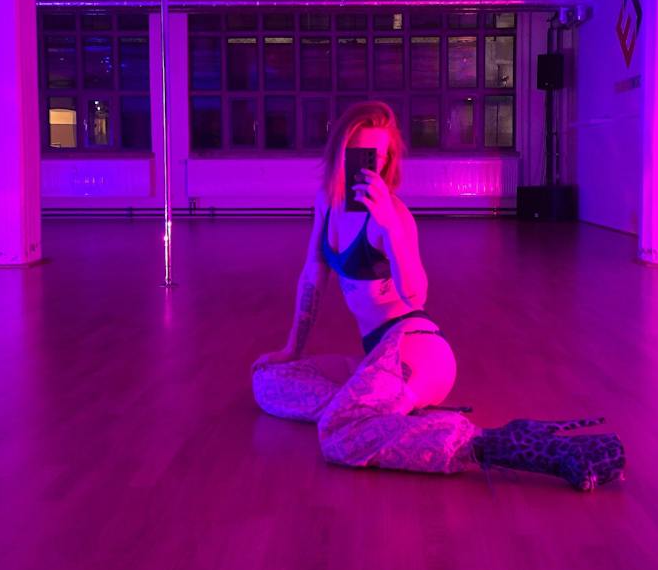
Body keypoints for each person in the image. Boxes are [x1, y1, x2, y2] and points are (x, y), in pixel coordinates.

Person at [251, 101, 625, 490]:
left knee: (339, 435)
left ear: (387, 161)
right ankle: (376, 412)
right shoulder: (326, 203)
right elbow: (313, 275)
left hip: (415, 349)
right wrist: (292, 349)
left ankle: (499, 444)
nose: (367, 166)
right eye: (358, 154)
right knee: (268, 381)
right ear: (339, 154)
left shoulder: (394, 216)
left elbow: (417, 296)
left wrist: (391, 230)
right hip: (374, 356)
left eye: (377, 157)